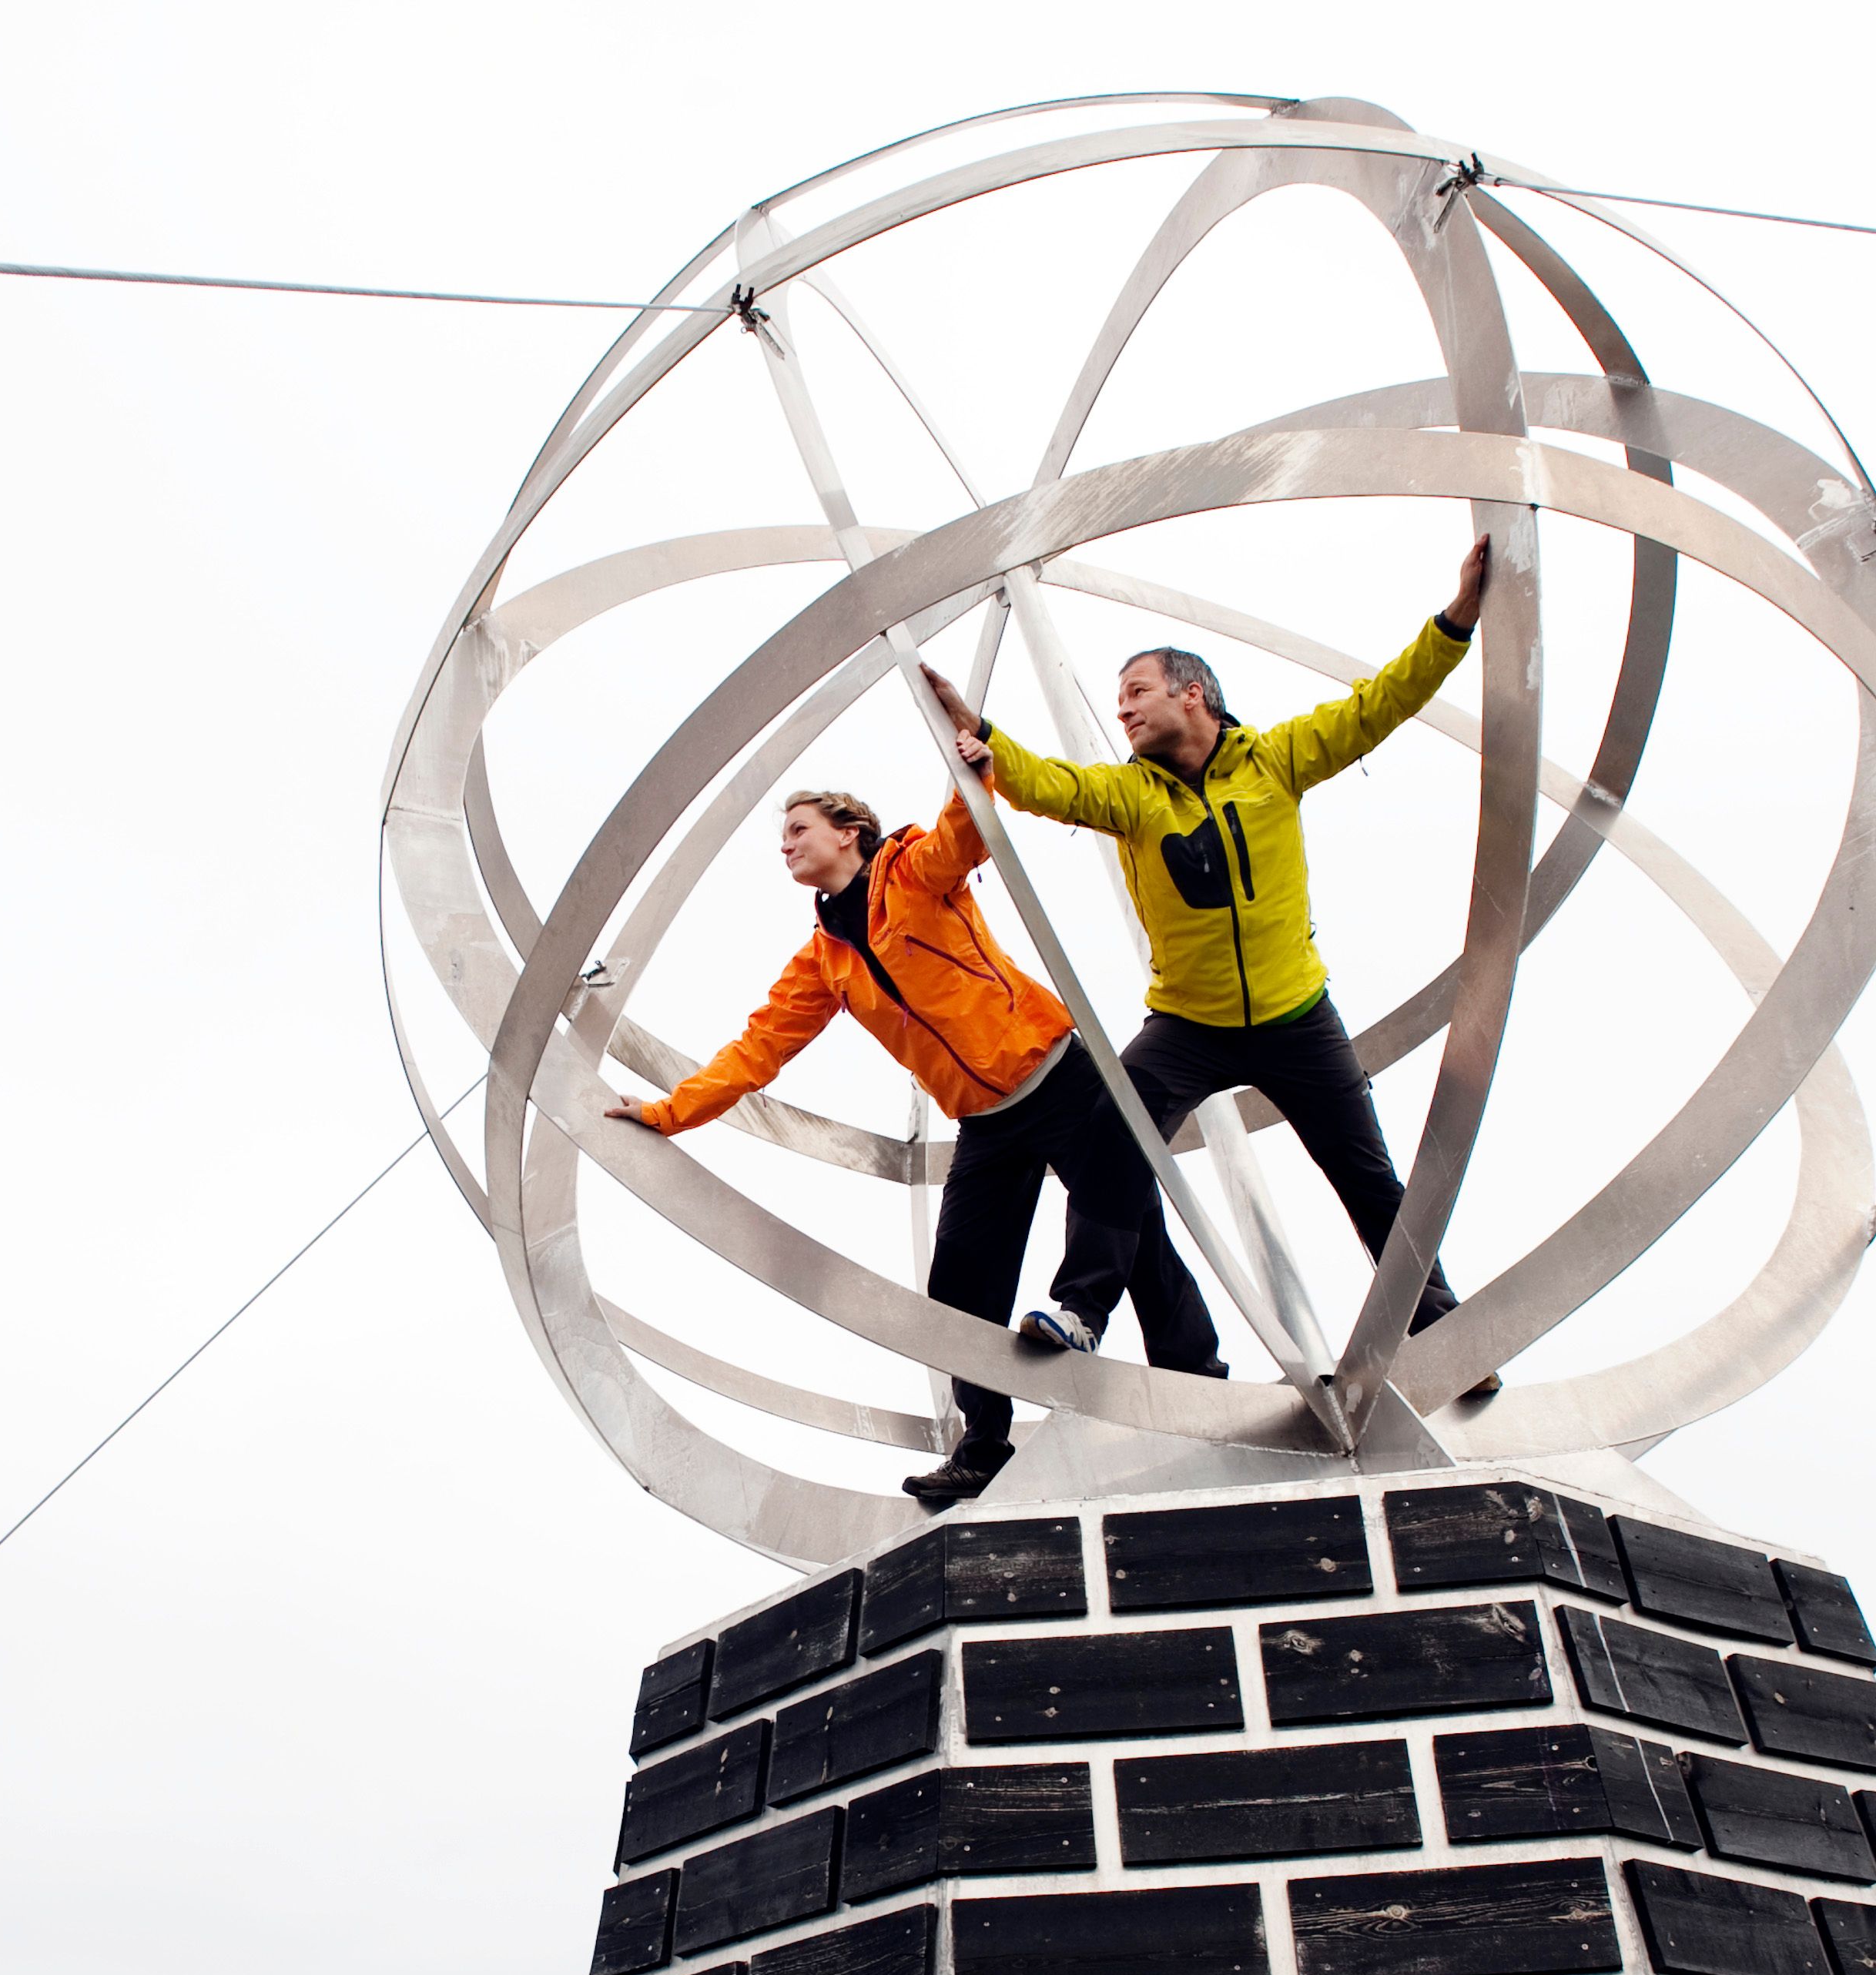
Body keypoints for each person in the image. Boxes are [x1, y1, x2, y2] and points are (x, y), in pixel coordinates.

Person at [923, 534, 1502, 1400]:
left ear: (1192, 693)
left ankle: (1437, 1327)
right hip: (1186, 1024)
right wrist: (986, 740)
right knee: (1111, 1138)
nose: (1121, 710)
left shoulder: (1275, 759)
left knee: (1366, 1174)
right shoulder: (1130, 794)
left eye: (1136, 692)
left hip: (1293, 1016)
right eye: (1117, 699)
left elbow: (1378, 705)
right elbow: (1055, 786)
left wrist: (1455, 618)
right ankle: (1081, 1308)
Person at [606, 783, 1182, 1510]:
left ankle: (1197, 1385)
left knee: (1135, 1239)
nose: (784, 843)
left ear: (850, 831)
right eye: (782, 834)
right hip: (987, 1119)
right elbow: (757, 1050)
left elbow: (966, 827)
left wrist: (971, 749)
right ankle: (985, 1445)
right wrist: (666, 1111)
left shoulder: (912, 871)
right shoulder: (825, 960)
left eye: (798, 827)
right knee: (959, 1287)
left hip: (1057, 1073)